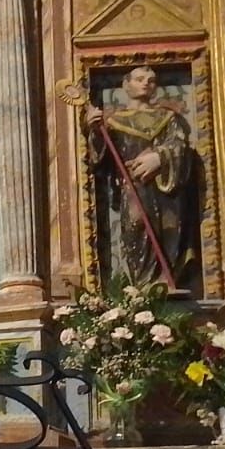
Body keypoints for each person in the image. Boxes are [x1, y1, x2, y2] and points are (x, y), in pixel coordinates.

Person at [84, 65, 199, 292]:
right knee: (136, 227)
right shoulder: (114, 121)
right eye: (139, 79)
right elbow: (100, 160)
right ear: (126, 85)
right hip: (133, 187)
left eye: (151, 80)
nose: (146, 83)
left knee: (168, 231)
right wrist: (95, 131)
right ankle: (143, 283)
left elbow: (179, 146)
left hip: (166, 190)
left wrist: (159, 157)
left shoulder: (167, 117)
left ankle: (166, 281)